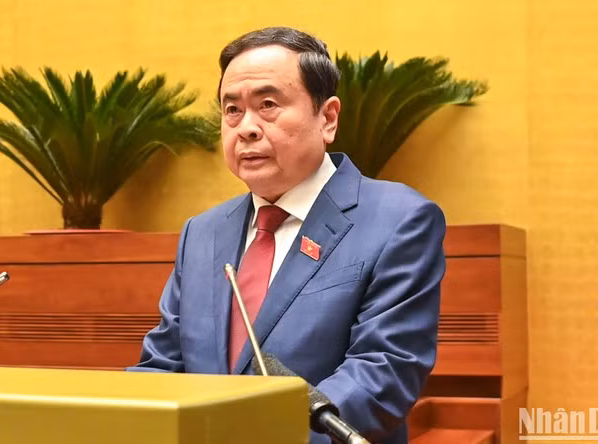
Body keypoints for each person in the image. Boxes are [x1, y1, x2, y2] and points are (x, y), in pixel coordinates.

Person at [127, 26, 446, 444]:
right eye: (232, 111)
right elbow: (163, 367)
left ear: (327, 117)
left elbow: (383, 371)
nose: (247, 128)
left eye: (268, 105)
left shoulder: (399, 220)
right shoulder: (201, 233)